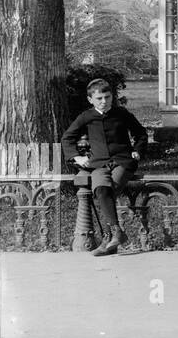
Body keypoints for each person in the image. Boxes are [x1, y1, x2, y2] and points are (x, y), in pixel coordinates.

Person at [61, 79, 148, 257]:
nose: (104, 101)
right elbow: (67, 138)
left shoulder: (121, 114)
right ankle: (116, 234)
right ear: (90, 99)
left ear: (112, 97)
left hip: (123, 161)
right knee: (101, 190)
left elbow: (140, 134)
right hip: (99, 163)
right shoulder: (86, 116)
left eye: (107, 97)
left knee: (109, 192)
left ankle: (108, 238)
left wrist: (137, 151)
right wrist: (77, 156)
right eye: (99, 98)